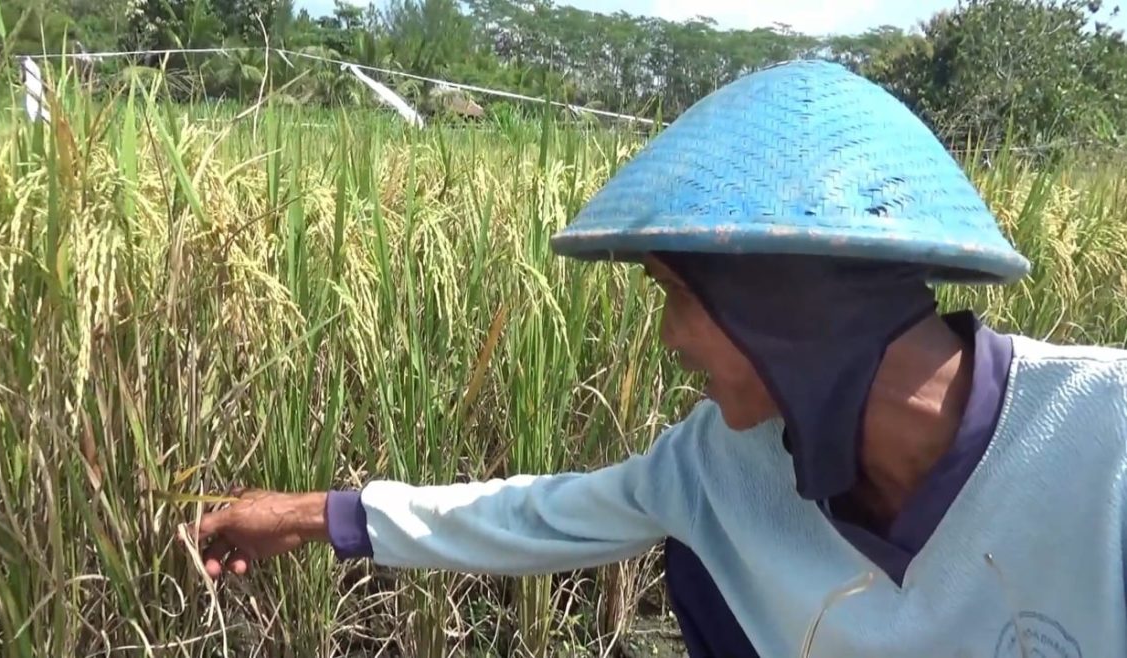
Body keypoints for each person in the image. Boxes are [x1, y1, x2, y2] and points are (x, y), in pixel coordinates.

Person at [182, 60, 1127, 657]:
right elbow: (537, 515)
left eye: (679, 296)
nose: (670, 340)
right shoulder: (719, 471)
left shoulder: (1103, 434)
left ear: (787, 307)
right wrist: (311, 516)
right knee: (700, 561)